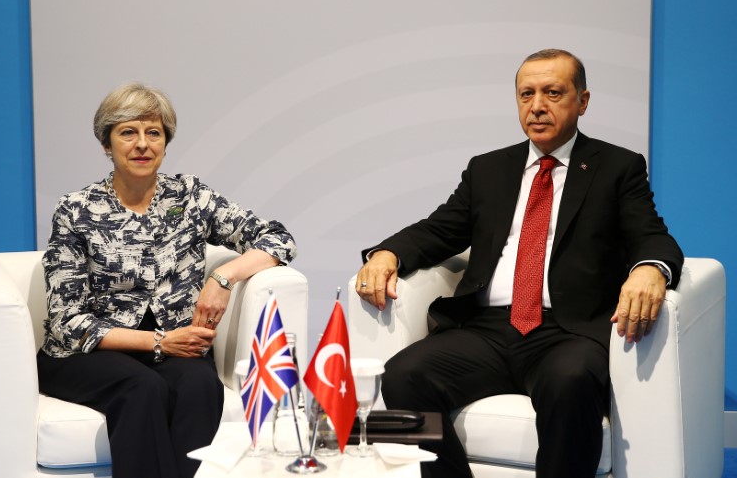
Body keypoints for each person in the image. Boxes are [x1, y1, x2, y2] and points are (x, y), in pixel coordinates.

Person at [355, 49, 683, 478]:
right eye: (526, 94)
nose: (537, 106)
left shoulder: (617, 168)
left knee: (570, 382)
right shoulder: (489, 168)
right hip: (487, 330)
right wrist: (387, 253)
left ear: (582, 101)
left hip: (567, 331)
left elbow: (651, 236)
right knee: (402, 375)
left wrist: (650, 268)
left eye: (553, 92)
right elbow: (438, 230)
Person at [37, 82, 297, 478]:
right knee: (142, 388)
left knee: (199, 386)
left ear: (165, 142)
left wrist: (223, 277)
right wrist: (159, 341)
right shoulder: (76, 210)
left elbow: (278, 238)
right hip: (86, 354)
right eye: (128, 132)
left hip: (174, 349)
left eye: (153, 133)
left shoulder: (190, 196)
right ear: (107, 145)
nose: (142, 144)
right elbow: (66, 321)